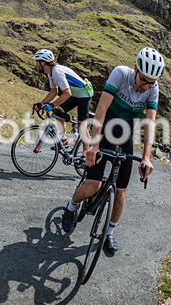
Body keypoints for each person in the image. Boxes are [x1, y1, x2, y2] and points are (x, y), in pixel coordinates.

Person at [61, 47, 165, 253]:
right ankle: (70, 208)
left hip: (125, 138)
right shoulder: (120, 74)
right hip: (104, 132)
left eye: (151, 83)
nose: (146, 86)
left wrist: (146, 158)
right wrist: (94, 145)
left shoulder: (153, 89)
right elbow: (101, 108)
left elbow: (150, 123)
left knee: (121, 192)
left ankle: (109, 232)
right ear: (135, 69)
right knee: (93, 184)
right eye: (143, 80)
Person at [32, 49, 93, 145]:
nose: (36, 64)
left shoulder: (57, 72)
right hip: (74, 94)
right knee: (59, 112)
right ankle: (63, 139)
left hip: (84, 94)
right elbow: (53, 91)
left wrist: (52, 105)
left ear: (42, 63)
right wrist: (41, 103)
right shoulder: (50, 72)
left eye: (37, 61)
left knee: (82, 125)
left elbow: (67, 93)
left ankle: (86, 154)